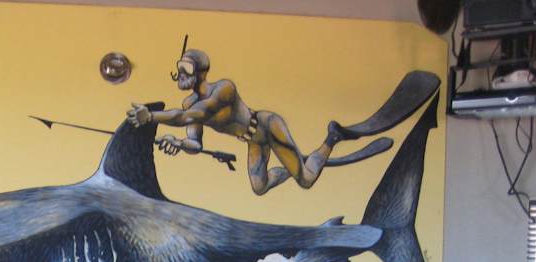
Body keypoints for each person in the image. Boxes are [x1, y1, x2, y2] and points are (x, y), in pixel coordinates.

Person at [127, 48, 363, 196]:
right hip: (252, 140)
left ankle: (332, 137)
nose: (181, 73)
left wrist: (152, 116)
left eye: (186, 67)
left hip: (267, 126)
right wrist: (178, 143)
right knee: (260, 187)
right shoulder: (189, 103)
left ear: (201, 71)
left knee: (307, 181)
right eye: (179, 67)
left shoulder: (223, 89)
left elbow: (189, 116)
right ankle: (294, 165)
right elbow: (195, 144)